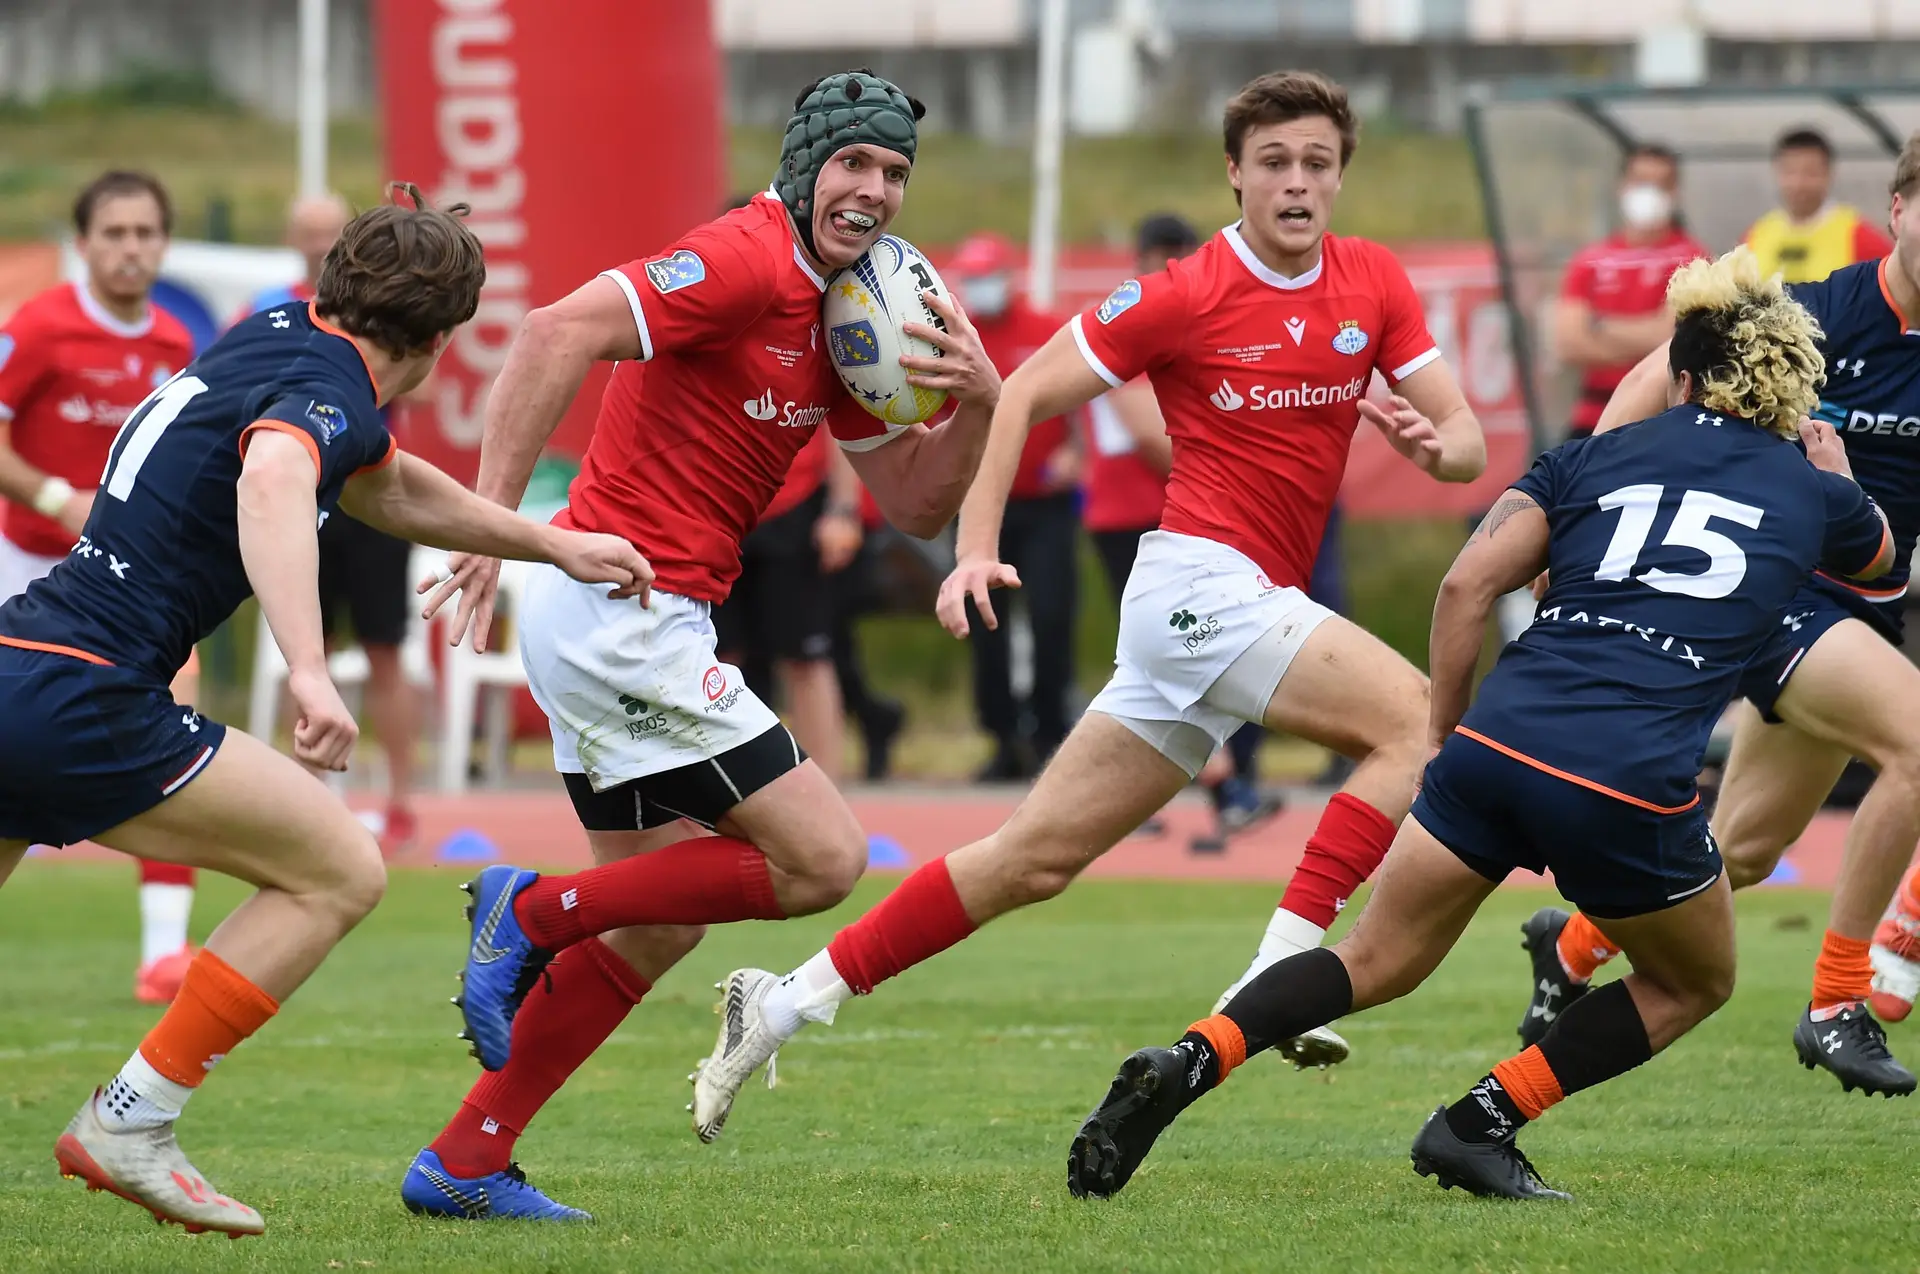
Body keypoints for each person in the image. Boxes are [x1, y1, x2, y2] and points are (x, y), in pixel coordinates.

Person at [687, 68, 1488, 1135]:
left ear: (1342, 175)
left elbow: (1469, 441)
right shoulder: (1186, 289)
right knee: (1416, 724)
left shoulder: (1374, 282)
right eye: (1276, 164)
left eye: (1319, 165)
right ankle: (1276, 984)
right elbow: (1021, 392)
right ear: (1234, 176)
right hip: (1199, 585)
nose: (1298, 184)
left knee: (1031, 858)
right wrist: (972, 546)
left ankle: (780, 1002)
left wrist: (1439, 450)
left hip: (1233, 610)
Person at [1066, 246, 1891, 1202]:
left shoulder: (1588, 455)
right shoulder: (1809, 486)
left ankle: (1190, 1059)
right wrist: (1835, 468)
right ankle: (1478, 1124)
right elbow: (1886, 573)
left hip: (1495, 743)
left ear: (1679, 375)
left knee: (1370, 958)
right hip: (1624, 777)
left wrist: (1440, 741)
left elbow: (1466, 586)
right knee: (1693, 983)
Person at [402, 69, 1001, 1220]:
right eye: (854, 164)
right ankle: (523, 913)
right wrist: (497, 523)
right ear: (806, 164)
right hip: (626, 610)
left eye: (894, 174)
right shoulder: (746, 258)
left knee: (660, 914)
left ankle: (465, 1157)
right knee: (824, 858)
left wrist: (976, 399)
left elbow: (919, 507)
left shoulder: (841, 316)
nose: (874, 190)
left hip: (635, 619)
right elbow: (549, 331)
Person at [0, 186, 650, 1236]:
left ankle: (132, 1120)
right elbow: (275, 477)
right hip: (92, 686)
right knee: (337, 869)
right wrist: (308, 668)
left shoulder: (283, 332)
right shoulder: (322, 389)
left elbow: (382, 485)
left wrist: (550, 541)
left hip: (19, 658)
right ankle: (134, 1117)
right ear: (442, 339)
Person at [1515, 136, 1920, 1095]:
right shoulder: (1819, 310)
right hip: (1772, 592)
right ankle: (1837, 1002)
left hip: (1862, 611)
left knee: (1739, 852)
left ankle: (1567, 948)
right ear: (1898, 208)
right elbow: (1650, 380)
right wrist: (1579, 516)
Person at [0, 171, 202, 1004]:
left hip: (123, 582)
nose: (131, 248)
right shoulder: (39, 328)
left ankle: (163, 956)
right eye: (114, 233)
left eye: (145, 232)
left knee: (176, 729)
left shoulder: (174, 344)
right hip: (25, 563)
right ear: (82, 245)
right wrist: (54, 497)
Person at [1082, 212, 1278, 847]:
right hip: (1134, 517)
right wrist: (1227, 461)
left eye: (1180, 255)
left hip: (1180, 517)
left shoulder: (1194, 326)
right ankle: (1219, 793)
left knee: (1166, 661)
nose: (1170, 266)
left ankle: (1150, 798)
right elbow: (1147, 432)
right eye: (1160, 254)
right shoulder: (1129, 322)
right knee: (1171, 660)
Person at [241, 192, 424, 854]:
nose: (319, 243)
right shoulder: (271, 306)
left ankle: (402, 801)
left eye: (330, 233)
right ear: (293, 237)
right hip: (299, 492)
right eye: (309, 233)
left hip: (370, 492)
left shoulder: (383, 306)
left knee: (385, 649)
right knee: (304, 651)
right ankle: (307, 801)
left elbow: (419, 383)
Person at [947, 232, 1081, 779]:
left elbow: (1080, 402)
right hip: (983, 505)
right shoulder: (953, 338)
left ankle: (1050, 730)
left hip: (1047, 505)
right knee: (985, 623)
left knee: (1052, 615)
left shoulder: (1044, 330)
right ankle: (1003, 738)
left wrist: (1076, 452)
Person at [713, 428, 866, 783]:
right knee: (714, 659)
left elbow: (841, 415)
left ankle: (825, 796)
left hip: (794, 505)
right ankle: (722, 797)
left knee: (806, 658)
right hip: (714, 505)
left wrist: (844, 508)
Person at [1552, 144, 1709, 440]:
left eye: (1660, 184)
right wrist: (1643, 338)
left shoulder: (1692, 260)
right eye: (1640, 182)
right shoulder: (1589, 260)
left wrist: (1598, 325)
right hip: (1592, 414)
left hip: (1659, 415)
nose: (1649, 193)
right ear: (1621, 186)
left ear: (1676, 192)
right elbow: (1568, 343)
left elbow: (1670, 336)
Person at [1745, 128, 1893, 285]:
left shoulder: (1859, 236)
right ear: (1776, 172)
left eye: (1810, 173)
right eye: (1789, 171)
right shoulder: (1756, 236)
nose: (1798, 183)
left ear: (1829, 173)